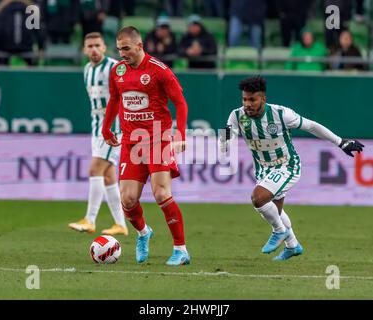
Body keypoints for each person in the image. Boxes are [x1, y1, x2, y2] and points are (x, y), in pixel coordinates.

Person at [220, 76, 364, 260]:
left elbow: (311, 126)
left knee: (258, 198)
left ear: (263, 99)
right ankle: (292, 246)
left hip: (287, 166)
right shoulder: (236, 115)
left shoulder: (281, 114)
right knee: (274, 210)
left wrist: (340, 142)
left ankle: (279, 231)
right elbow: (227, 134)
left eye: (252, 99)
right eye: (245, 99)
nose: (247, 104)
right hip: (263, 169)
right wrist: (224, 143)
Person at [101, 26, 190, 266]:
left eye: (127, 49)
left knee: (161, 193)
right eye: (119, 49)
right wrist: (106, 127)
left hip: (158, 139)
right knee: (127, 199)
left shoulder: (160, 71)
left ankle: (180, 250)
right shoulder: (117, 71)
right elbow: (114, 100)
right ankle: (143, 233)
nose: (122, 54)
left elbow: (180, 103)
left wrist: (180, 134)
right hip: (131, 142)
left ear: (140, 46)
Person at [68, 32, 128, 236]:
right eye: (89, 46)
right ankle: (120, 224)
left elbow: (125, 95)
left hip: (113, 127)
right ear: (84, 50)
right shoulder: (86, 69)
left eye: (97, 45)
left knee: (95, 170)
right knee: (109, 176)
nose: (93, 49)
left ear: (104, 47)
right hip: (96, 126)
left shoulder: (114, 67)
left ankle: (90, 219)